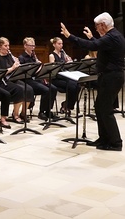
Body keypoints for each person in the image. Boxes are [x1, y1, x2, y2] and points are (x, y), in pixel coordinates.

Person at [60, 12, 125, 151]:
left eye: (97, 26)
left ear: (102, 25)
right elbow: (99, 44)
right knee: (100, 107)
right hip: (109, 76)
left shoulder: (111, 36)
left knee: (106, 110)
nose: (96, 28)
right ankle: (104, 139)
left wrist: (69, 36)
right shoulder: (114, 35)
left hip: (111, 77)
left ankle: (116, 142)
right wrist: (93, 38)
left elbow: (92, 46)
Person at [0, 37, 34, 125]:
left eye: (8, 45)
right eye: (5, 46)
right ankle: (15, 114)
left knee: (29, 89)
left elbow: (15, 70)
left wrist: (17, 65)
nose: (8, 48)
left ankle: (23, 113)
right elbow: (1, 73)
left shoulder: (9, 56)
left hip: (13, 78)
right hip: (3, 81)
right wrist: (12, 68)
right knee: (19, 89)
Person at [18, 37, 59, 121]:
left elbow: (37, 72)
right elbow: (23, 73)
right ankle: (42, 112)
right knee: (46, 90)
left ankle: (48, 110)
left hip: (36, 79)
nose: (33, 48)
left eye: (34, 46)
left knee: (53, 88)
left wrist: (40, 68)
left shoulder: (33, 56)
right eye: (31, 45)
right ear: (25, 46)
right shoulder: (21, 58)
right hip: (28, 80)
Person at [49, 37, 80, 115]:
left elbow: (67, 67)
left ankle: (66, 105)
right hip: (56, 79)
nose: (61, 45)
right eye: (59, 44)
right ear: (54, 45)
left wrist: (69, 62)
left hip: (65, 76)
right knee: (72, 86)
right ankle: (67, 106)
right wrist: (64, 64)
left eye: (62, 43)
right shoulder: (52, 55)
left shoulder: (63, 54)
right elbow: (53, 69)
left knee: (78, 85)